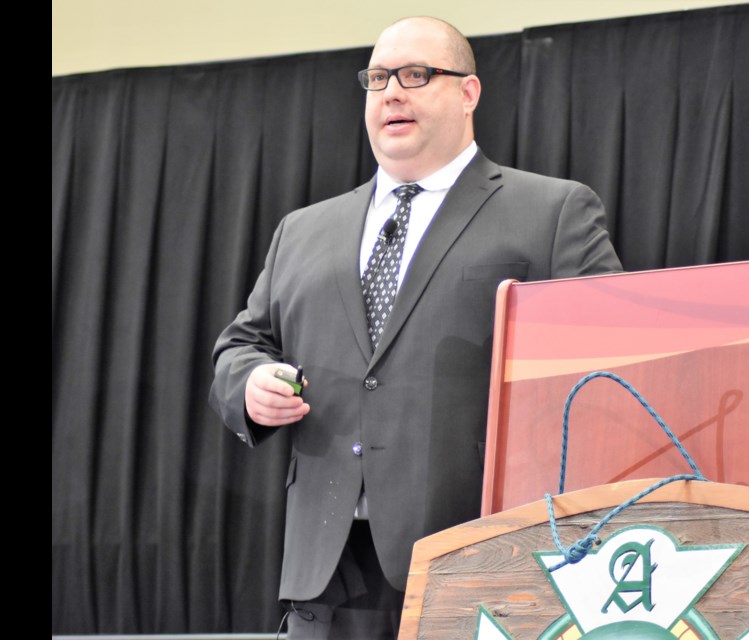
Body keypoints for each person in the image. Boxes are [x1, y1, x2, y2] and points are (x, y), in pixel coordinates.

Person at [209, 16, 622, 639]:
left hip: (481, 556)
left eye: (415, 74)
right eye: (378, 78)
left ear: (468, 93)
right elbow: (243, 344)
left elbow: (609, 359)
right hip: (327, 575)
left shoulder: (551, 211)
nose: (392, 92)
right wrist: (250, 383)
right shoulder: (303, 229)